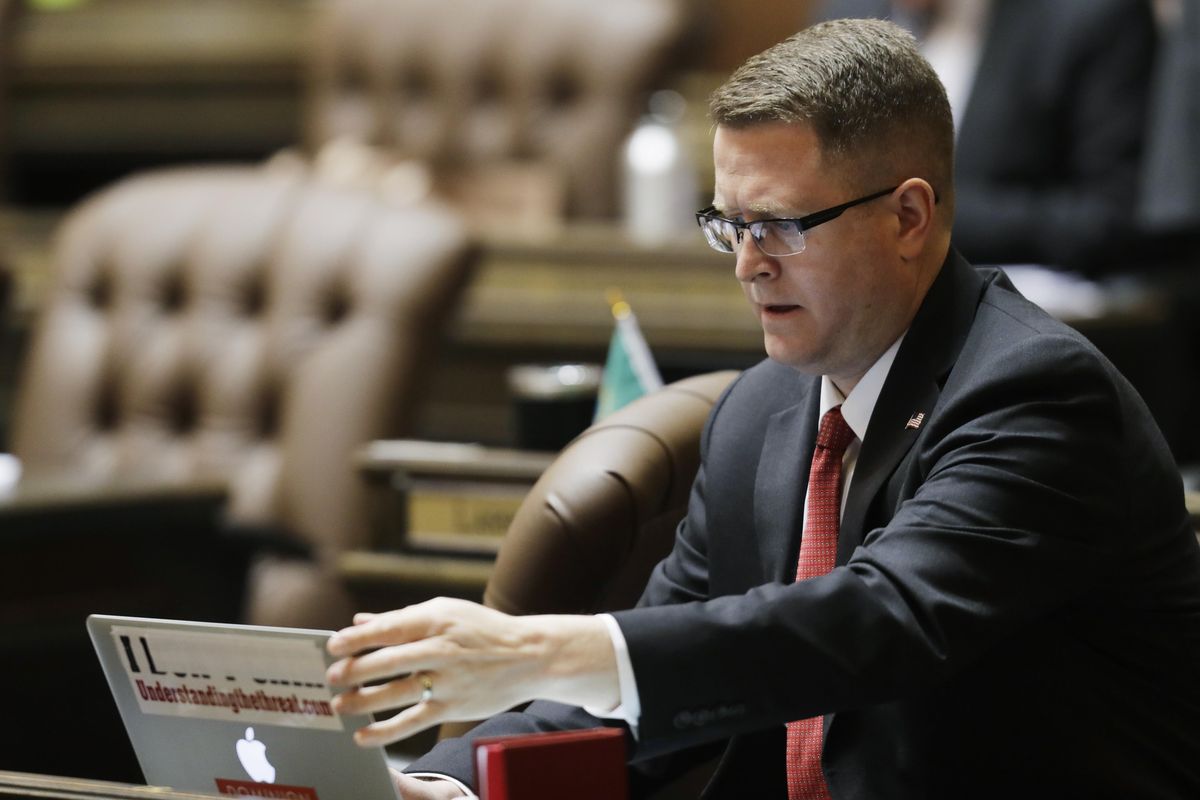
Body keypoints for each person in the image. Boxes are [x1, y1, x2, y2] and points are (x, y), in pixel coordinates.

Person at [325, 19, 1200, 799]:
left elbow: (871, 624)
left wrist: (535, 649)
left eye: (780, 225)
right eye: (728, 223)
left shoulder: (1038, 396)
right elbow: (655, 688)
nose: (747, 265)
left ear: (907, 216)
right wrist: (442, 784)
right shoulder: (762, 413)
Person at [812, 0, 1158, 275]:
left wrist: (923, 215)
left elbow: (1111, 218)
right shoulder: (845, 17)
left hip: (1024, 308)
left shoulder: (1092, 16)